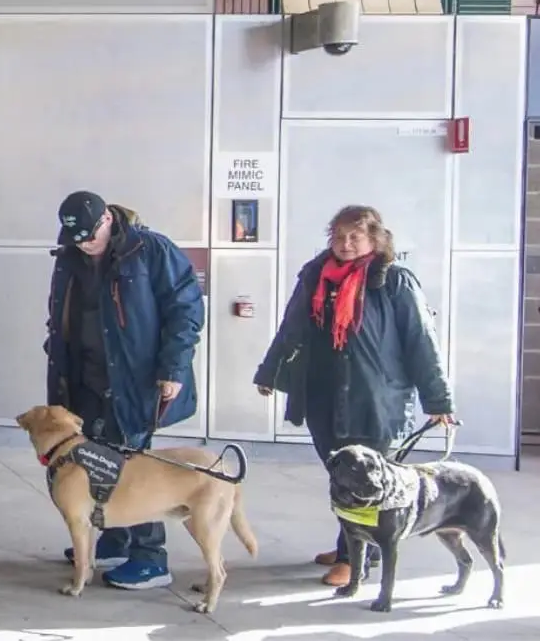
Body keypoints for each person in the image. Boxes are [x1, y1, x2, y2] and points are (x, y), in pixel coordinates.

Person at [252, 205, 455, 590]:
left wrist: (439, 400)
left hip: (375, 398)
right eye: (339, 236)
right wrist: (271, 372)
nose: (345, 244)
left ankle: (357, 558)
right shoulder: (316, 275)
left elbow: (421, 342)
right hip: (322, 393)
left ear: (374, 239)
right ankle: (348, 543)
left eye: (354, 237)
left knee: (367, 481)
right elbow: (292, 327)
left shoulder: (393, 281)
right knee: (340, 474)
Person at [44, 190, 206, 590]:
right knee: (95, 457)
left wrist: (174, 367)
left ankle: (151, 558)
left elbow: (185, 309)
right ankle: (113, 536)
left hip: (135, 379)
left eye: (89, 236)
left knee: (134, 464)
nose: (84, 245)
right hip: (83, 378)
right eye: (76, 239)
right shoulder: (69, 256)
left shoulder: (150, 249)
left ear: (107, 221)